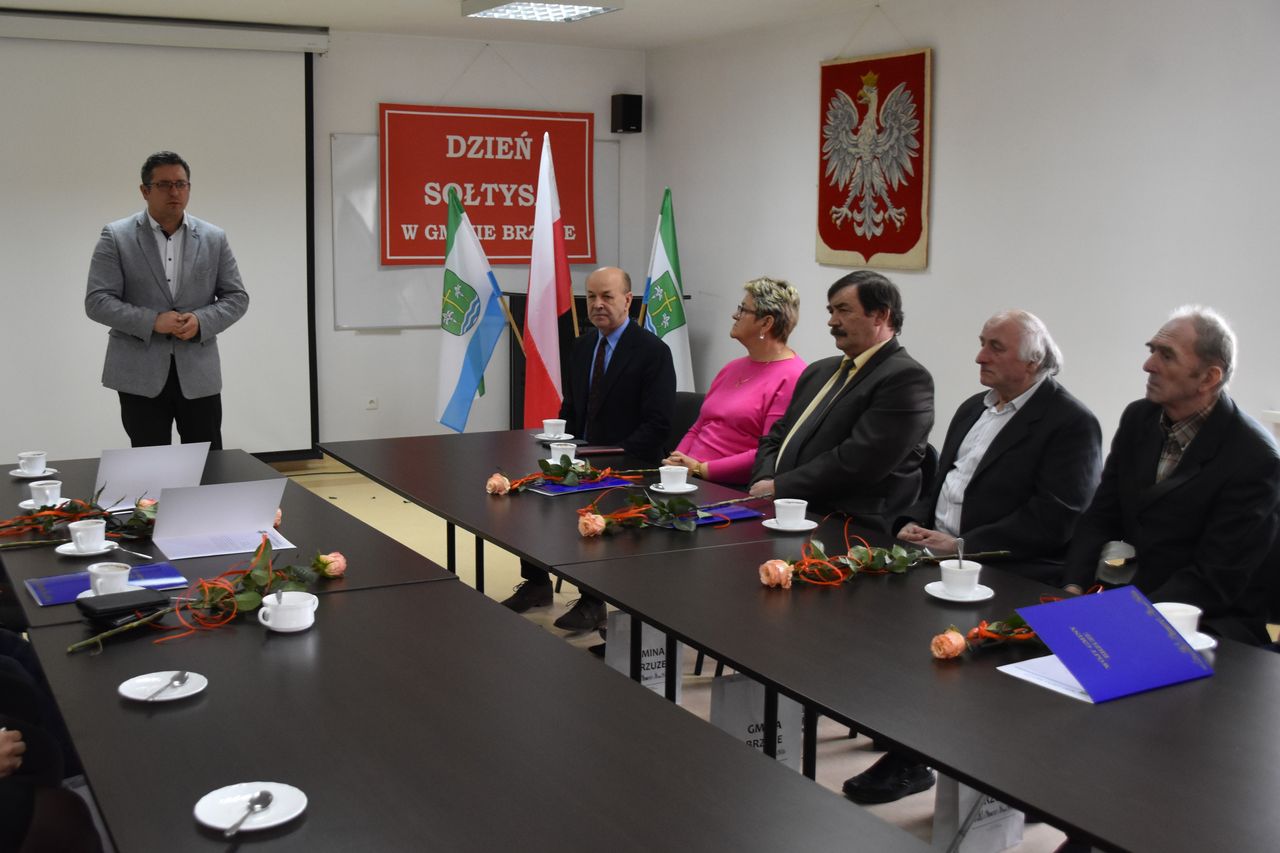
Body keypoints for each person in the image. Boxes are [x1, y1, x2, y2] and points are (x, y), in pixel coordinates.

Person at [843, 309, 1103, 806]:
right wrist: (911, 521)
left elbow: (1056, 519)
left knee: (944, 647)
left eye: (995, 347)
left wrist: (964, 544)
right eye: (982, 342)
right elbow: (942, 485)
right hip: (941, 553)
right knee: (875, 616)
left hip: (1010, 565)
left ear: (1033, 362)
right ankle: (904, 737)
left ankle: (914, 760)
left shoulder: (1071, 423)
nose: (979, 356)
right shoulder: (973, 408)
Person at [1062, 306, 1280, 645]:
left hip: (1207, 623)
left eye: (1166, 355)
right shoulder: (1140, 418)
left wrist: (1124, 617)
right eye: (1152, 351)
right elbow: (1101, 515)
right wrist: (1073, 587)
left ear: (1209, 377)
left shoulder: (1255, 457)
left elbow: (1216, 578)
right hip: (1131, 598)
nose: (1148, 365)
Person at [503, 266, 676, 631]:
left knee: (591, 510)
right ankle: (536, 584)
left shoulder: (652, 352)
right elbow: (571, 408)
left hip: (629, 463)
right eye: (591, 297)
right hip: (582, 456)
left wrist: (609, 458)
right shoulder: (583, 347)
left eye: (607, 297)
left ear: (627, 300)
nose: (597, 304)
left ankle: (593, 601)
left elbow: (658, 424)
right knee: (531, 496)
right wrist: (559, 446)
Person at [85, 151, 249, 451]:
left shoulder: (213, 237)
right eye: (163, 185)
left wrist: (201, 320)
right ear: (145, 190)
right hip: (139, 372)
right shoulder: (117, 236)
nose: (174, 192)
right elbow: (97, 301)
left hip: (198, 372)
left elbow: (237, 297)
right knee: (149, 464)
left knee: (208, 462)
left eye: (181, 184)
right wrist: (152, 321)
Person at [748, 270, 933, 531]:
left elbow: (859, 462)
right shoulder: (818, 371)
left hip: (849, 524)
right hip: (785, 509)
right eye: (831, 310)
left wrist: (780, 487)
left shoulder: (906, 378)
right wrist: (764, 480)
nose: (832, 321)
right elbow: (777, 435)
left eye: (843, 310)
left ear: (880, 315)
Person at [663, 277, 806, 486]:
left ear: (766, 323)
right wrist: (675, 464)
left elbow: (768, 452)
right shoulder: (732, 368)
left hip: (730, 488)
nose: (735, 315)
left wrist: (701, 469)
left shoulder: (792, 376)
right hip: (690, 478)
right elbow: (699, 427)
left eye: (743, 310)